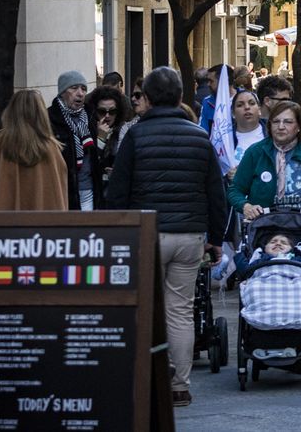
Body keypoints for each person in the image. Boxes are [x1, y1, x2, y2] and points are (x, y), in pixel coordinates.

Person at [104, 65, 229, 407]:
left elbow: (118, 192)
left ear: (147, 97)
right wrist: (216, 239)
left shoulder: (135, 136)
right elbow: (216, 194)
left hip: (146, 234)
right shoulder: (199, 137)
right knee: (180, 311)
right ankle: (179, 385)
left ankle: (147, 379)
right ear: (180, 96)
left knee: (145, 308)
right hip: (189, 236)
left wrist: (118, 232)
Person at [231, 100, 301, 222]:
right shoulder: (255, 152)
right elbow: (235, 191)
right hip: (264, 227)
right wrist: (246, 206)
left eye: (288, 122)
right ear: (269, 125)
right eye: (276, 122)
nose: (281, 127)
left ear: (299, 127)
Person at [0, 89, 69, 212]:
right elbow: (60, 192)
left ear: (11, 111)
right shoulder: (52, 147)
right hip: (44, 221)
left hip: (5, 220)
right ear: (41, 113)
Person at [49, 70, 107, 211]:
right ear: (62, 92)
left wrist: (100, 138)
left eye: (83, 89)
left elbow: (95, 156)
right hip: (63, 191)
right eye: (74, 88)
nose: (80, 93)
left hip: (89, 190)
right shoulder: (50, 118)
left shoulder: (91, 115)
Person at [215, 87, 267, 182]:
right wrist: (227, 176)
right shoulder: (223, 140)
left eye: (252, 103)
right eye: (240, 105)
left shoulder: (272, 133)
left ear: (259, 109)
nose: (247, 107)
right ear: (233, 113)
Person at [86, 86, 131, 191]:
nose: (107, 116)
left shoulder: (124, 131)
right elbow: (89, 165)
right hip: (96, 190)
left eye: (112, 111)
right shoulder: (87, 130)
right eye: (102, 111)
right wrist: (100, 139)